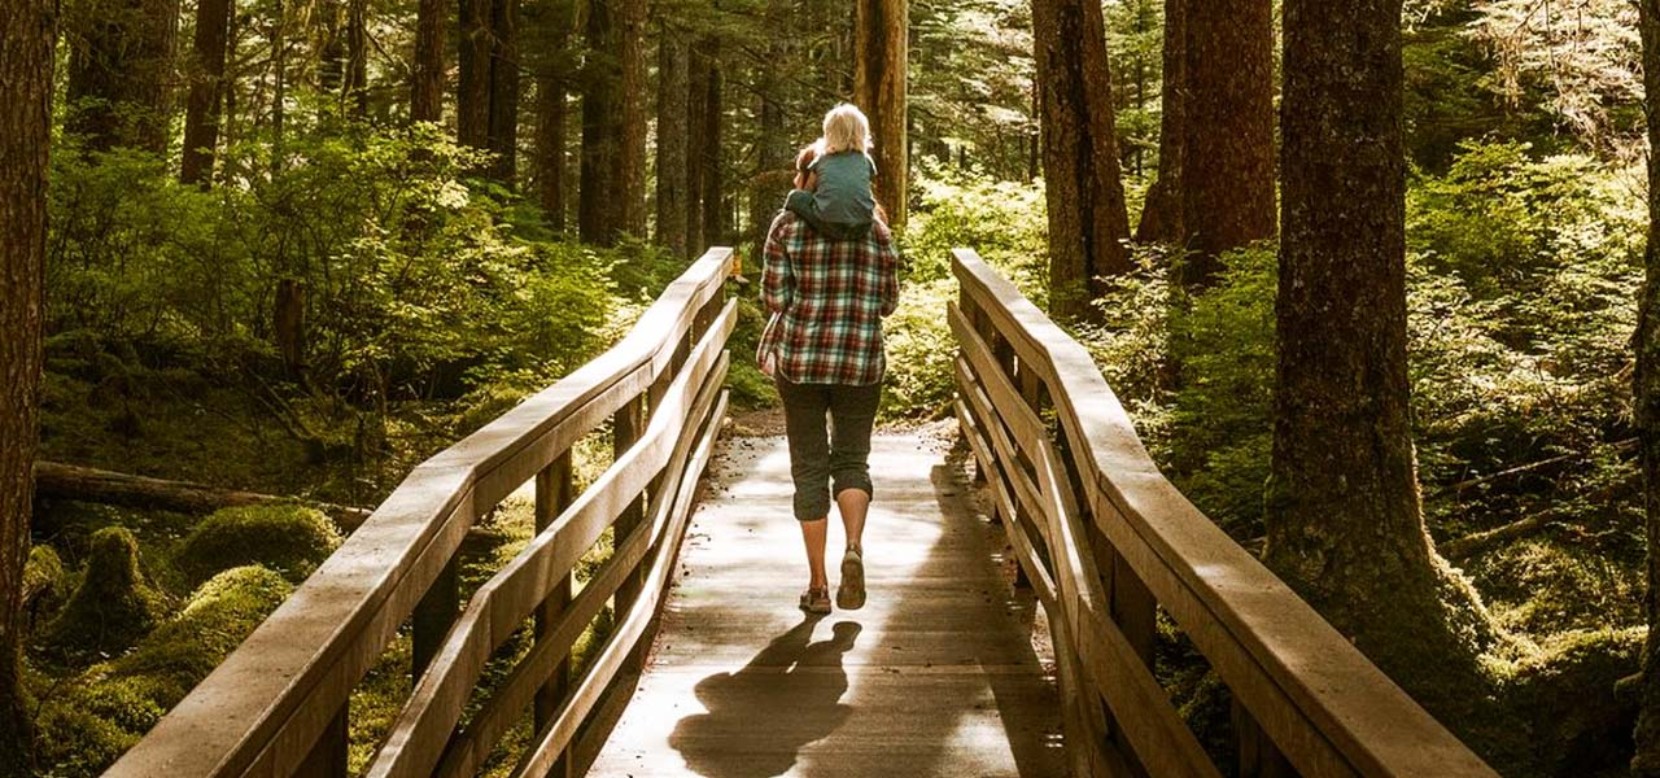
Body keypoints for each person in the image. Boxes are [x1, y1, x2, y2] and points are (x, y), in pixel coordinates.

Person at [757, 137, 901, 615]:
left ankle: (818, 586)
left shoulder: (787, 227)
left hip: (801, 364)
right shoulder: (877, 233)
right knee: (853, 461)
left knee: (810, 468)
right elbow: (888, 303)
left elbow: (775, 299)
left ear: (809, 179)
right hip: (860, 363)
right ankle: (854, 547)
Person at [782, 104, 879, 241]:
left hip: (827, 223)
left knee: (795, 196)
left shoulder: (822, 159)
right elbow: (864, 188)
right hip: (863, 226)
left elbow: (807, 190)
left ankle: (787, 219)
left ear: (828, 133)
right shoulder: (866, 160)